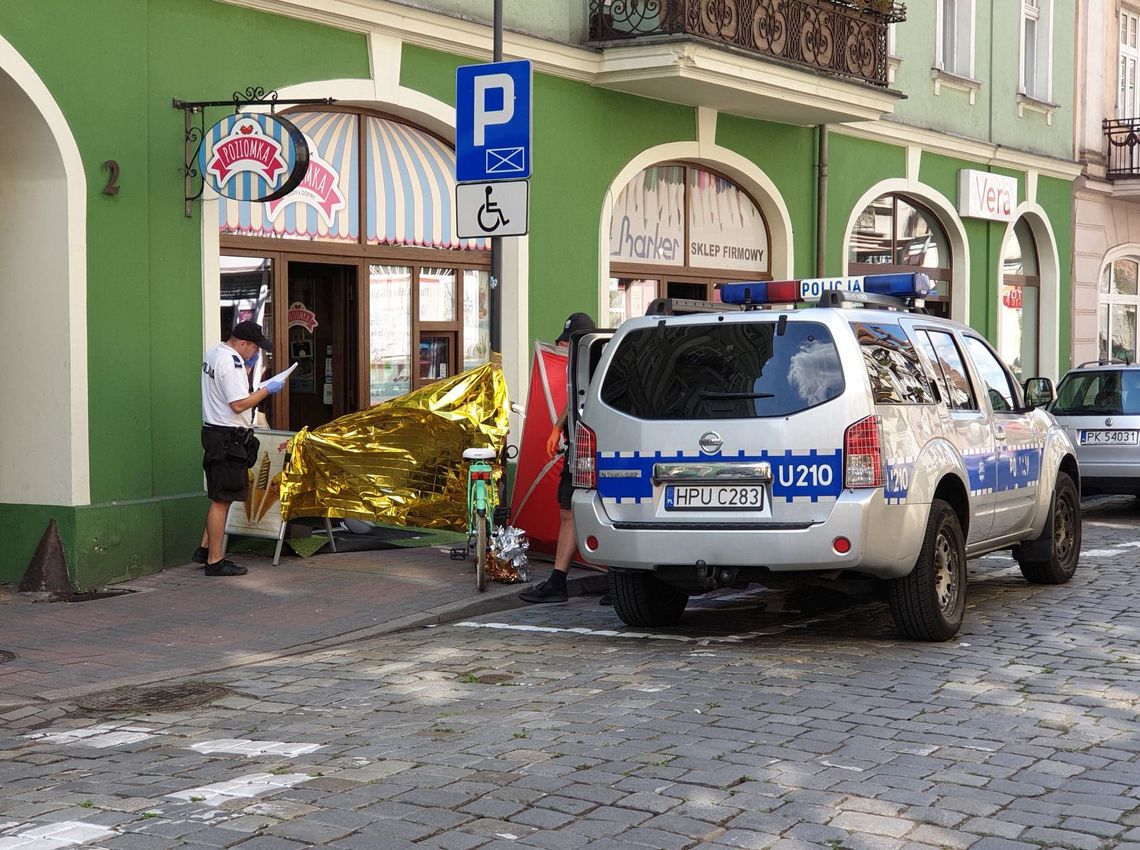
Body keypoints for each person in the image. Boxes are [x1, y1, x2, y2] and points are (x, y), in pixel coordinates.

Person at [520, 312, 610, 604]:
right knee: (569, 509)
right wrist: (557, 427)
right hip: (578, 448)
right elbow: (574, 399)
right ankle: (558, 582)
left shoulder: (604, 360)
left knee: (609, 510)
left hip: (602, 447)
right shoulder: (579, 364)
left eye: (570, 342)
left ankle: (619, 580)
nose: (565, 348)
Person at [193, 321, 285, 576]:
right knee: (222, 501)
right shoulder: (231, 362)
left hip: (214, 433)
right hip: (227, 437)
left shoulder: (214, 353)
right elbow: (238, 404)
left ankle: (204, 549)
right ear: (243, 343)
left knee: (219, 495)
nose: (256, 352)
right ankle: (214, 560)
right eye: (255, 347)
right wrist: (267, 389)